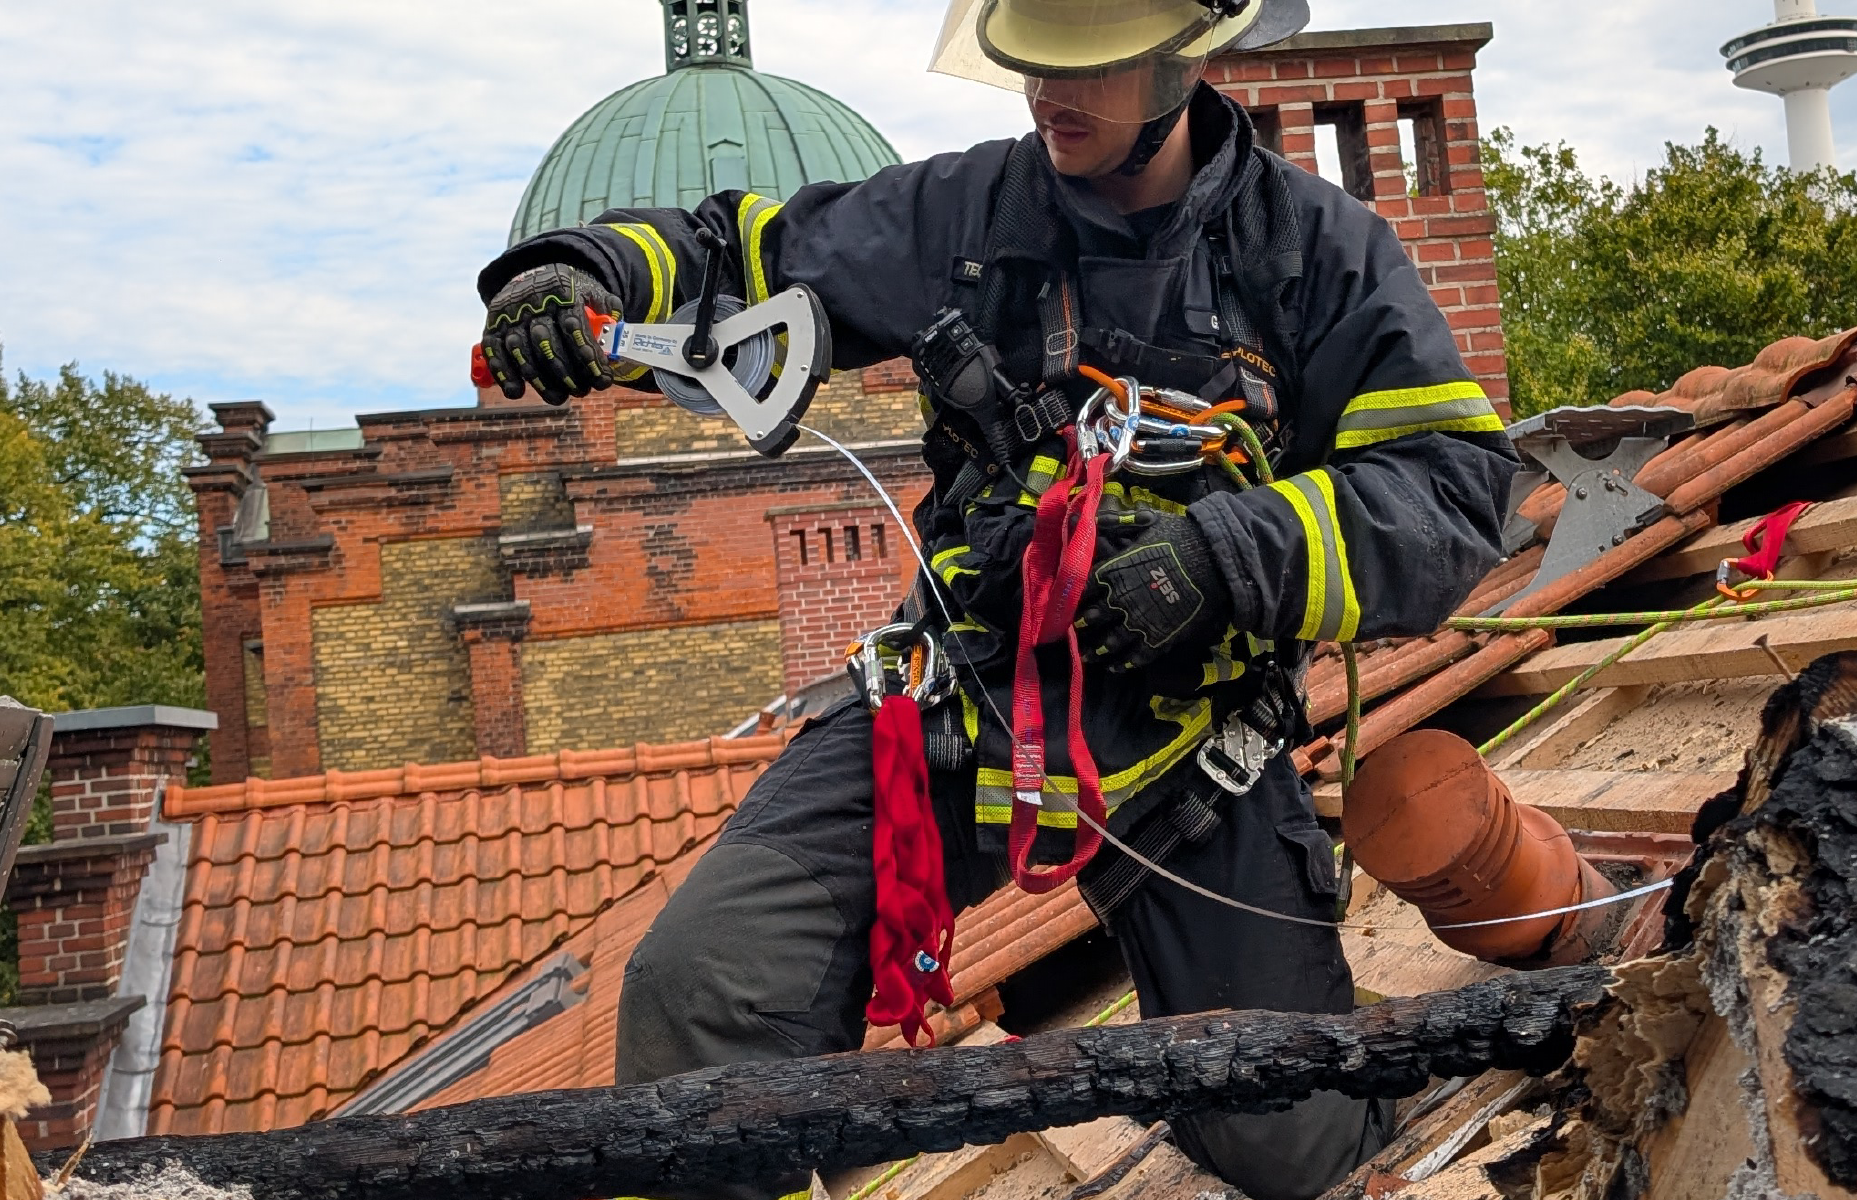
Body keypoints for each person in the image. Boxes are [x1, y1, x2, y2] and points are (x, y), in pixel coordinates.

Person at [473, 2, 1516, 1196]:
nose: (1045, 95)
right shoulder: (964, 216)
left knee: (1289, 1139)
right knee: (701, 987)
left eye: (1086, 68)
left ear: (1180, 62)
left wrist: (1227, 558)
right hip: (958, 704)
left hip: (1189, 756)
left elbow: (1449, 490)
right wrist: (578, 273)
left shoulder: (1315, 253)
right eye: (1032, 62)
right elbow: (738, 252)